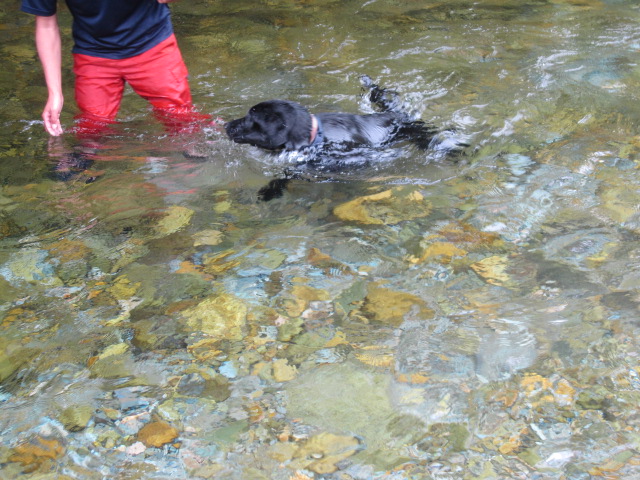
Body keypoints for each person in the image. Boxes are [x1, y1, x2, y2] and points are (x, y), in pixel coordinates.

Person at [21, 0, 210, 137]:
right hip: (93, 53)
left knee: (181, 120)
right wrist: (55, 93)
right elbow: (46, 25)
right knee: (91, 127)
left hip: (152, 44)